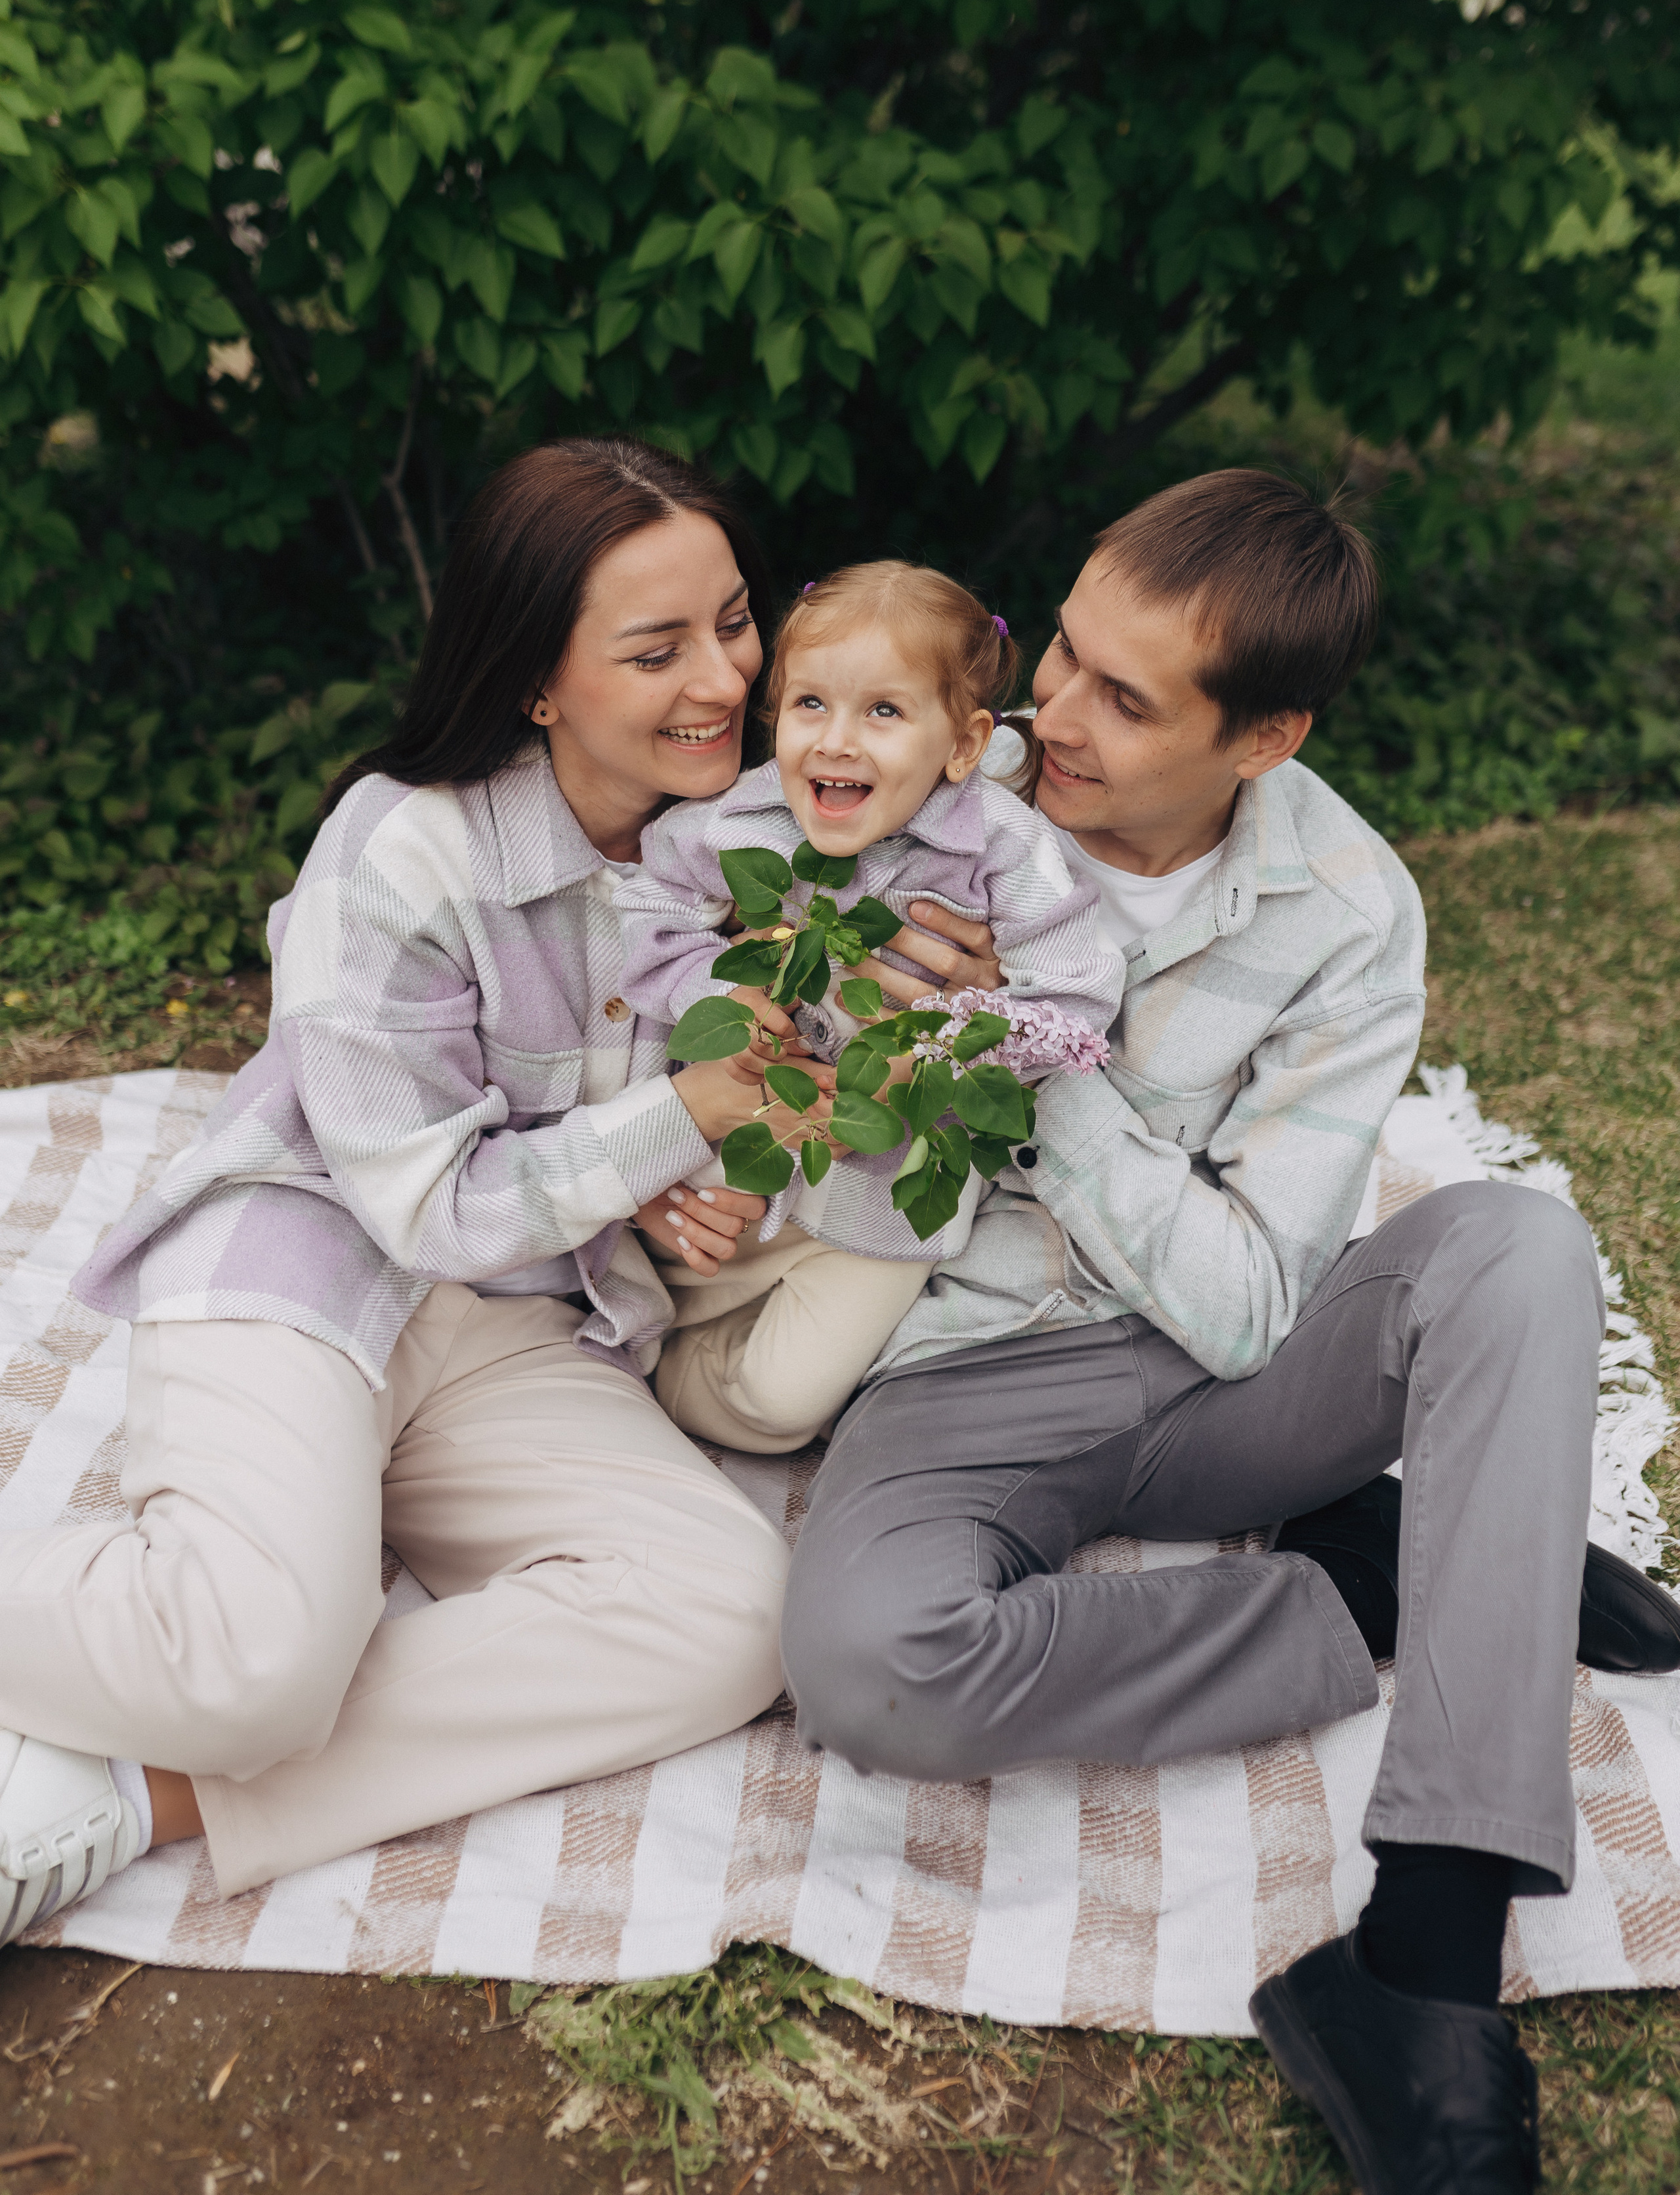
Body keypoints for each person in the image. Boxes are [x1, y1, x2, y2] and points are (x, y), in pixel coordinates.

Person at [778, 469, 1680, 2195]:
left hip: (1231, 1372)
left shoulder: (1346, 908)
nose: (1053, 719)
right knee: (868, 1668)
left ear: (1263, 738)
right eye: (1060, 660)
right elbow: (806, 1136)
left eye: (1128, 701)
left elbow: (1254, 1298)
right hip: (951, 1371)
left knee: (1520, 1253)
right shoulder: (905, 794)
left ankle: (1419, 1964)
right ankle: (1370, 1579)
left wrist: (1036, 1061)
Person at [0, 437, 999, 1950]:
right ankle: (191, 1682)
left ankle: (145, 1795)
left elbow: (785, 1074)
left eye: (732, 625)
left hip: (535, 1323)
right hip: (317, 1265)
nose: (722, 682)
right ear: (536, 680)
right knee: (260, 1659)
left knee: (728, 1615)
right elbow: (417, 1204)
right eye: (654, 650)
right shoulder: (400, 852)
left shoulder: (765, 843)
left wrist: (934, 1000)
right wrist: (675, 1120)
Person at [614, 559, 1124, 1453]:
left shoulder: (1004, 848)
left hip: (886, 1191)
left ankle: (690, 1392)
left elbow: (1074, 999)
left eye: (883, 712)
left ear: (963, 745)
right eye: (811, 704)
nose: (837, 741)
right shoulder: (746, 821)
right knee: (658, 1255)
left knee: (781, 1407)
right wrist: (726, 989)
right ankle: (618, 1356)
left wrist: (937, 1054)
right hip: (753, 1126)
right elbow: (651, 907)